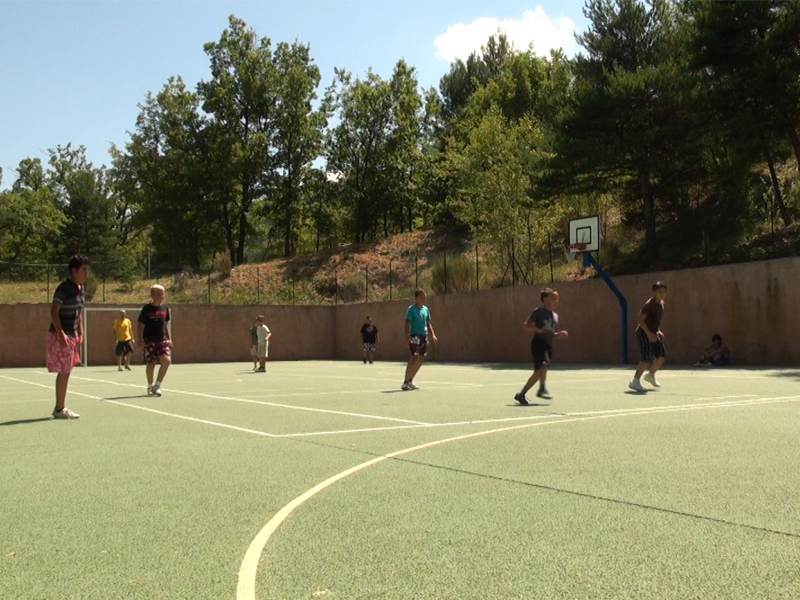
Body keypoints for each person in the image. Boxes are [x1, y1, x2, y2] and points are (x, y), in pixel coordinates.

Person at [47, 255, 90, 419]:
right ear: (74, 270)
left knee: (66, 371)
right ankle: (60, 409)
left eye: (88, 270)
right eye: (83, 270)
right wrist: (61, 333)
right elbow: (54, 312)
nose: (86, 273)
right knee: (64, 371)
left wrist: (81, 331)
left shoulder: (80, 289)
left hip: (72, 334)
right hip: (61, 334)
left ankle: (60, 408)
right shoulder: (64, 288)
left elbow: (78, 313)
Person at [515, 288, 569, 404]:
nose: (556, 301)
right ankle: (539, 389)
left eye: (557, 299)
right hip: (538, 344)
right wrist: (538, 330)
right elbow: (526, 325)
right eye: (553, 298)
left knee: (539, 371)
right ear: (545, 299)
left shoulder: (555, 316)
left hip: (548, 346)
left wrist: (558, 334)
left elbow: (550, 334)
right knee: (542, 367)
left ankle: (523, 393)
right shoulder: (538, 311)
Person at [629, 281, 668, 393]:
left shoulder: (661, 303)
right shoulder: (649, 304)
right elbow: (640, 320)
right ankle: (635, 382)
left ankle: (650, 375)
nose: (662, 294)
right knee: (646, 358)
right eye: (660, 292)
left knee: (661, 355)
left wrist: (658, 331)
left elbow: (655, 320)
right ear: (654, 292)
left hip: (654, 332)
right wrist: (649, 334)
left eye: (664, 292)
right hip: (643, 333)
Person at [138, 285, 172, 397]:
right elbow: (141, 325)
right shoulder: (146, 309)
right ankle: (150, 385)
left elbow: (166, 325)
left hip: (162, 340)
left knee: (166, 361)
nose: (162, 296)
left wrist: (169, 338)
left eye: (163, 293)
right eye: (160, 294)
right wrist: (140, 339)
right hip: (149, 341)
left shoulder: (165, 308)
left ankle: (157, 385)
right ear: (153, 295)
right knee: (151, 364)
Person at [402, 290, 438, 391]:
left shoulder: (426, 309)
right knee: (414, 357)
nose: (424, 299)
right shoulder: (411, 309)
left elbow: (428, 323)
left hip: (424, 336)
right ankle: (405, 382)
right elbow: (407, 323)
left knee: (421, 358)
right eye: (421, 297)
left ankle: (410, 381)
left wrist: (433, 335)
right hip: (414, 336)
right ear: (416, 298)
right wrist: (406, 337)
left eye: (424, 297)